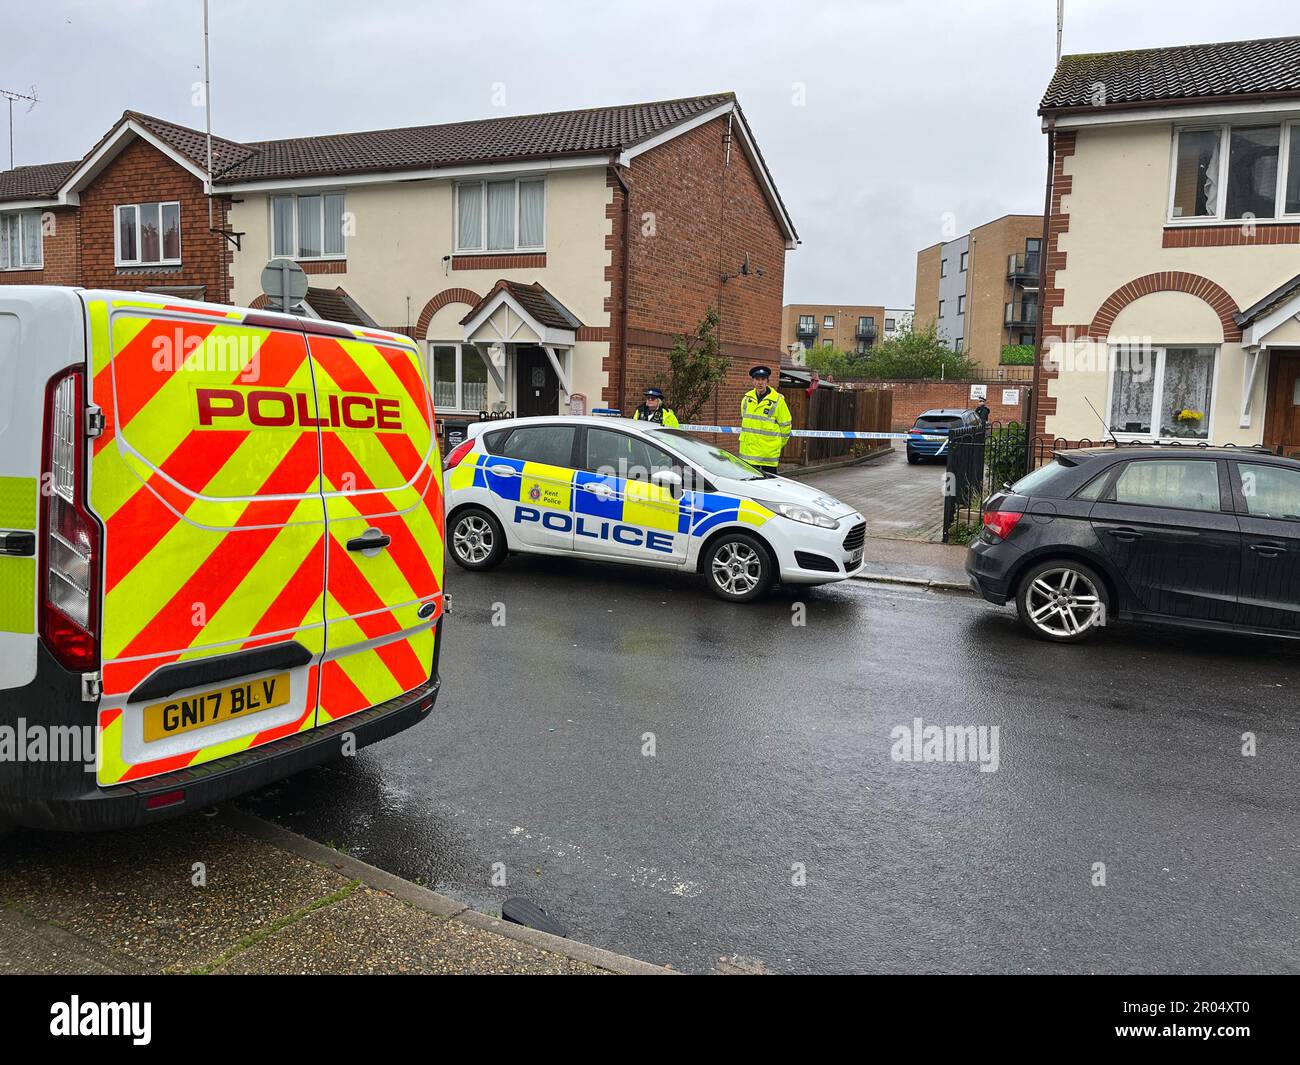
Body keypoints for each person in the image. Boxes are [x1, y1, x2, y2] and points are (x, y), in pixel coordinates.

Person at [739, 365, 792, 473]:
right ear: (753, 382)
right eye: (757, 379)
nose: (760, 382)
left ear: (767, 382)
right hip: (748, 454)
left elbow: (786, 427)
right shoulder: (746, 400)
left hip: (768, 455)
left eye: (763, 379)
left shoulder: (778, 401)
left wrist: (778, 444)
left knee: (769, 486)